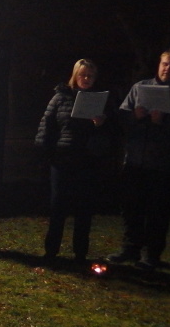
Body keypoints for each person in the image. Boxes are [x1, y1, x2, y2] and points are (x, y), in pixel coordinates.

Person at [107, 47, 170, 270]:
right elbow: (121, 118)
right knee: (131, 208)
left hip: (165, 164)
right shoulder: (140, 87)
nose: (167, 69)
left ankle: (152, 254)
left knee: (158, 211)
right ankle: (130, 248)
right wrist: (134, 116)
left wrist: (164, 120)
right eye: (165, 64)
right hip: (135, 160)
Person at [35, 59, 115, 264]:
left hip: (88, 161)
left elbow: (113, 132)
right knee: (58, 208)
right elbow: (47, 126)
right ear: (75, 75)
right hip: (63, 160)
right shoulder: (61, 97)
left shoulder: (101, 100)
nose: (86, 79)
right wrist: (45, 154)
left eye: (90, 76)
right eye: (83, 75)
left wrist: (101, 124)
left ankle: (80, 253)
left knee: (84, 209)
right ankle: (51, 251)